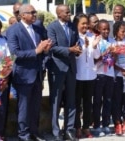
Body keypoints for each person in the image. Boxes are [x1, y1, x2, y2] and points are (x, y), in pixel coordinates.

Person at [7, 4, 52, 141]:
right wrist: (36, 51)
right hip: (23, 76)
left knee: (35, 107)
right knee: (24, 108)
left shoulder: (38, 28)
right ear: (22, 15)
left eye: (35, 12)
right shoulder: (13, 30)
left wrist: (46, 50)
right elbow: (16, 53)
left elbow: (45, 47)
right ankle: (23, 134)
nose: (34, 14)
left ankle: (34, 132)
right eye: (31, 12)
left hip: (38, 74)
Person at [46, 4, 81, 141]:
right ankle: (56, 132)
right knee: (56, 101)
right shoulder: (52, 27)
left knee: (71, 101)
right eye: (66, 12)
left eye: (69, 12)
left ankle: (69, 130)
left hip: (71, 68)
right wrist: (70, 50)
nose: (69, 14)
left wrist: (78, 49)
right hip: (57, 69)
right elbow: (52, 47)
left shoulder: (72, 26)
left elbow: (76, 42)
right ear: (58, 14)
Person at [73, 13, 100, 139]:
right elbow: (76, 57)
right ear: (77, 25)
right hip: (78, 76)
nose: (85, 26)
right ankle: (77, 128)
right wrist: (84, 47)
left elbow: (96, 56)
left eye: (86, 23)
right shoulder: (74, 37)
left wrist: (94, 46)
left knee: (88, 103)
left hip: (91, 76)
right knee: (77, 104)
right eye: (82, 23)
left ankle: (86, 127)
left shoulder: (92, 36)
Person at [92, 19, 115, 137]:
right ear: (99, 30)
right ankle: (96, 125)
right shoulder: (97, 41)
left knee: (108, 100)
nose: (106, 31)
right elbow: (95, 59)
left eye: (107, 29)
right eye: (103, 29)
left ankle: (105, 124)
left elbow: (115, 58)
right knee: (97, 101)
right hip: (99, 74)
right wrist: (106, 52)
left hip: (110, 74)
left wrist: (115, 52)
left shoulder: (112, 41)